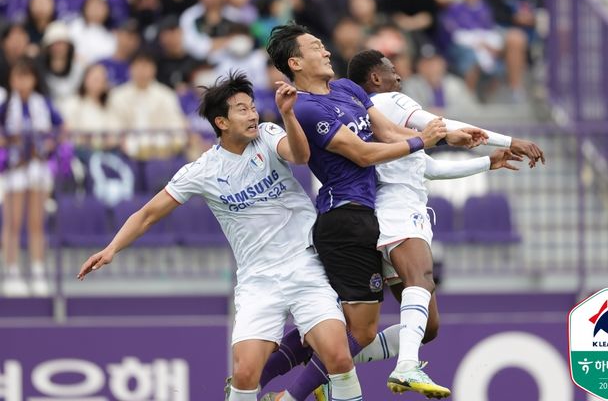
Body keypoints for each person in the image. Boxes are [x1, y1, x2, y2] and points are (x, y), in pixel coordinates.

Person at [77, 72, 365, 401]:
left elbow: (300, 156)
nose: (253, 114)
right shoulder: (203, 170)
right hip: (258, 280)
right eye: (242, 109)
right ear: (221, 122)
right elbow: (148, 214)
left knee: (339, 357)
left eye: (253, 107)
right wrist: (112, 248)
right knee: (244, 374)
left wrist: (286, 114)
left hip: (305, 265)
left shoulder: (269, 135)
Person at [260, 23, 484, 401]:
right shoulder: (306, 106)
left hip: (369, 219)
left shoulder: (347, 89)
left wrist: (445, 139)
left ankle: (262, 381)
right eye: (317, 46)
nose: (327, 51)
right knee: (356, 329)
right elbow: (362, 153)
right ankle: (274, 390)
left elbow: (388, 134)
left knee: (359, 325)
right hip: (343, 219)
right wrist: (420, 141)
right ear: (295, 62)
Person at [321, 48, 545, 398]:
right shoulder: (391, 100)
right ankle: (406, 367)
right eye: (392, 69)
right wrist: (510, 140)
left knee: (429, 326)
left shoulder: (384, 122)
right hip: (398, 212)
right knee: (422, 280)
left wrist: (489, 162)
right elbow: (441, 125)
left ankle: (328, 367)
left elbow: (431, 168)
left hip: (393, 214)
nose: (399, 75)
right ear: (376, 78)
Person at [1, 57, 63, 297]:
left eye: (27, 76)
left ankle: (38, 270)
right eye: (18, 76)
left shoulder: (43, 103)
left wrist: (47, 142)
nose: (23, 81)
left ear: (34, 79)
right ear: (12, 79)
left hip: (37, 167)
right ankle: (12, 270)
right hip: (15, 168)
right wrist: (10, 142)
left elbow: (60, 128)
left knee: (37, 222)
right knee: (13, 221)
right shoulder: (6, 106)